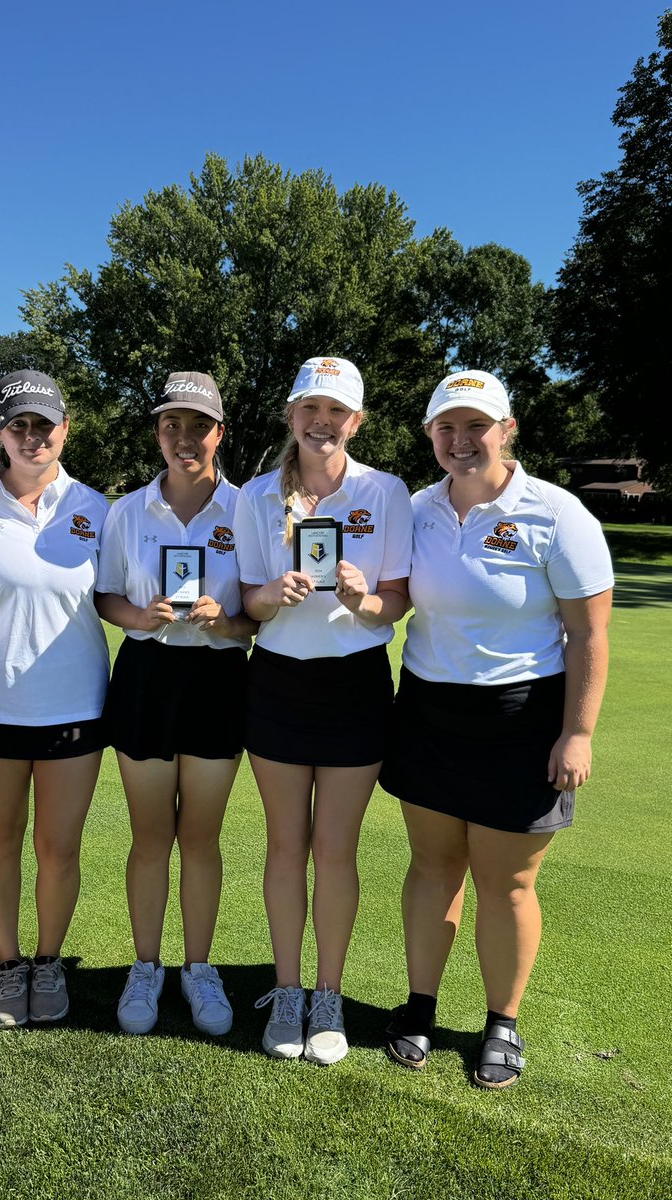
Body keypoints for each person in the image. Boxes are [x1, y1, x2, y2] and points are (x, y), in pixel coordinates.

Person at [379, 369, 613, 1089]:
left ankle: (501, 1022)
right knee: (431, 866)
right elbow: (387, 595)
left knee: (507, 882)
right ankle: (419, 1006)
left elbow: (589, 635)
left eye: (476, 425)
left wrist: (578, 733)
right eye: (446, 427)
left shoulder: (556, 513)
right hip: (426, 709)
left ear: (506, 430)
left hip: (522, 717)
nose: (461, 440)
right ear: (429, 435)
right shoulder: (413, 509)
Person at [233, 356, 412, 1065]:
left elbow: (394, 603)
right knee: (285, 846)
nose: (322, 421)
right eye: (310, 408)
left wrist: (361, 597)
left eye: (336, 411)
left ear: (356, 421)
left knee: (335, 850)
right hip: (275, 682)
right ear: (292, 416)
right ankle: (286, 990)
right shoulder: (255, 496)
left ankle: (328, 995)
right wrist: (274, 594)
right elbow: (249, 601)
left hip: (356, 685)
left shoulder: (387, 491)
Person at [95, 371, 255, 1038]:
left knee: (201, 837)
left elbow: (260, 617)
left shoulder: (250, 511)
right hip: (146, 676)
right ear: (158, 432)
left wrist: (226, 620)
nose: (184, 438)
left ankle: (197, 968)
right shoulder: (126, 511)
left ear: (219, 432)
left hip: (218, 678)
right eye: (172, 425)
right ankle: (145, 966)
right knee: (151, 835)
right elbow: (105, 597)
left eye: (199, 426)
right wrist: (142, 611)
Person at [0, 370, 109, 1029]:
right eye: (18, 425)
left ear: (64, 429)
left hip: (75, 706)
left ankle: (48, 963)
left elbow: (117, 599)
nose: (32, 436)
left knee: (59, 846)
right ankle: (8, 964)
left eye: (43, 425)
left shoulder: (97, 509)